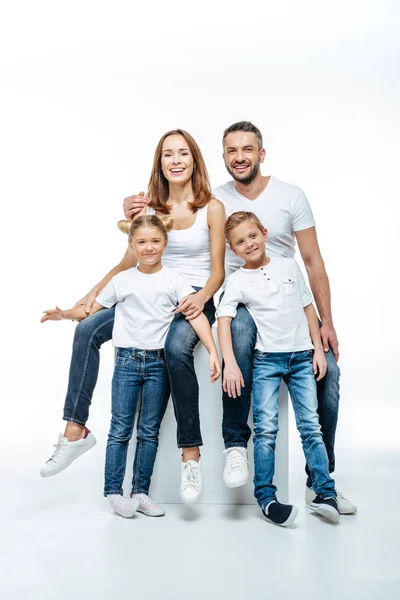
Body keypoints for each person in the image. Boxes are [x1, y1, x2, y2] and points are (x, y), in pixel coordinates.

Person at [123, 121, 357, 515]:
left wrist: (326, 321)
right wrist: (135, 209)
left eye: (247, 149)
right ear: (223, 157)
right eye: (232, 151)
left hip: (288, 297)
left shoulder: (291, 196)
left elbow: (313, 263)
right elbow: (169, 214)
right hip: (238, 297)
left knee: (329, 372)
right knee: (240, 330)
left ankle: (321, 483)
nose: (240, 157)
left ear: (261, 154)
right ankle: (235, 444)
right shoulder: (213, 199)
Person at [41, 129, 226, 505]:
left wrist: (201, 298)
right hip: (147, 295)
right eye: (168, 155)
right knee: (88, 330)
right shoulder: (150, 211)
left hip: (192, 297)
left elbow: (218, 271)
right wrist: (91, 297)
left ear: (195, 161)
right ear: (159, 163)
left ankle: (190, 454)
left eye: (183, 154)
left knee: (175, 347)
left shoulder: (213, 207)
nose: (176, 161)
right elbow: (127, 264)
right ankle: (75, 429)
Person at [217, 211, 339, 525]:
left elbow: (307, 306)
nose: (249, 244)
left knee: (310, 426)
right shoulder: (237, 280)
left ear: (265, 233)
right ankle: (267, 499)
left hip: (301, 359)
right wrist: (230, 361)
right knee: (266, 430)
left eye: (253, 236)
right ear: (232, 249)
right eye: (240, 242)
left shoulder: (288, 265)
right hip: (266, 361)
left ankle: (325, 492)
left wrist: (317, 350)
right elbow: (224, 320)